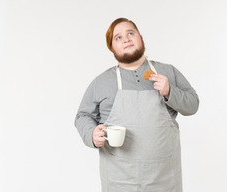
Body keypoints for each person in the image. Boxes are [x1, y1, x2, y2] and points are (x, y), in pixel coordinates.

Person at [74, 17, 199, 192]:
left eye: (130, 33)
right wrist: (91, 134)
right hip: (120, 180)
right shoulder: (101, 83)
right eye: (118, 38)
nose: (126, 39)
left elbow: (193, 105)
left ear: (141, 37)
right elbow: (83, 116)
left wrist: (170, 91)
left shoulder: (167, 72)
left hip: (164, 178)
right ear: (112, 48)